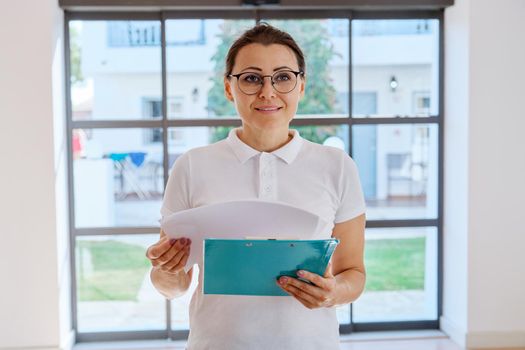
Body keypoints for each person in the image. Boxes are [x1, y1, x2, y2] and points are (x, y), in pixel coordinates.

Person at [146, 23, 366, 350]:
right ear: (228, 88)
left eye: (282, 76)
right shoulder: (192, 166)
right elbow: (173, 285)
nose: (267, 92)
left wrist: (332, 293)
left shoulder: (337, 167)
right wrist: (165, 272)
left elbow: (354, 273)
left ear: (301, 85)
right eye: (251, 78)